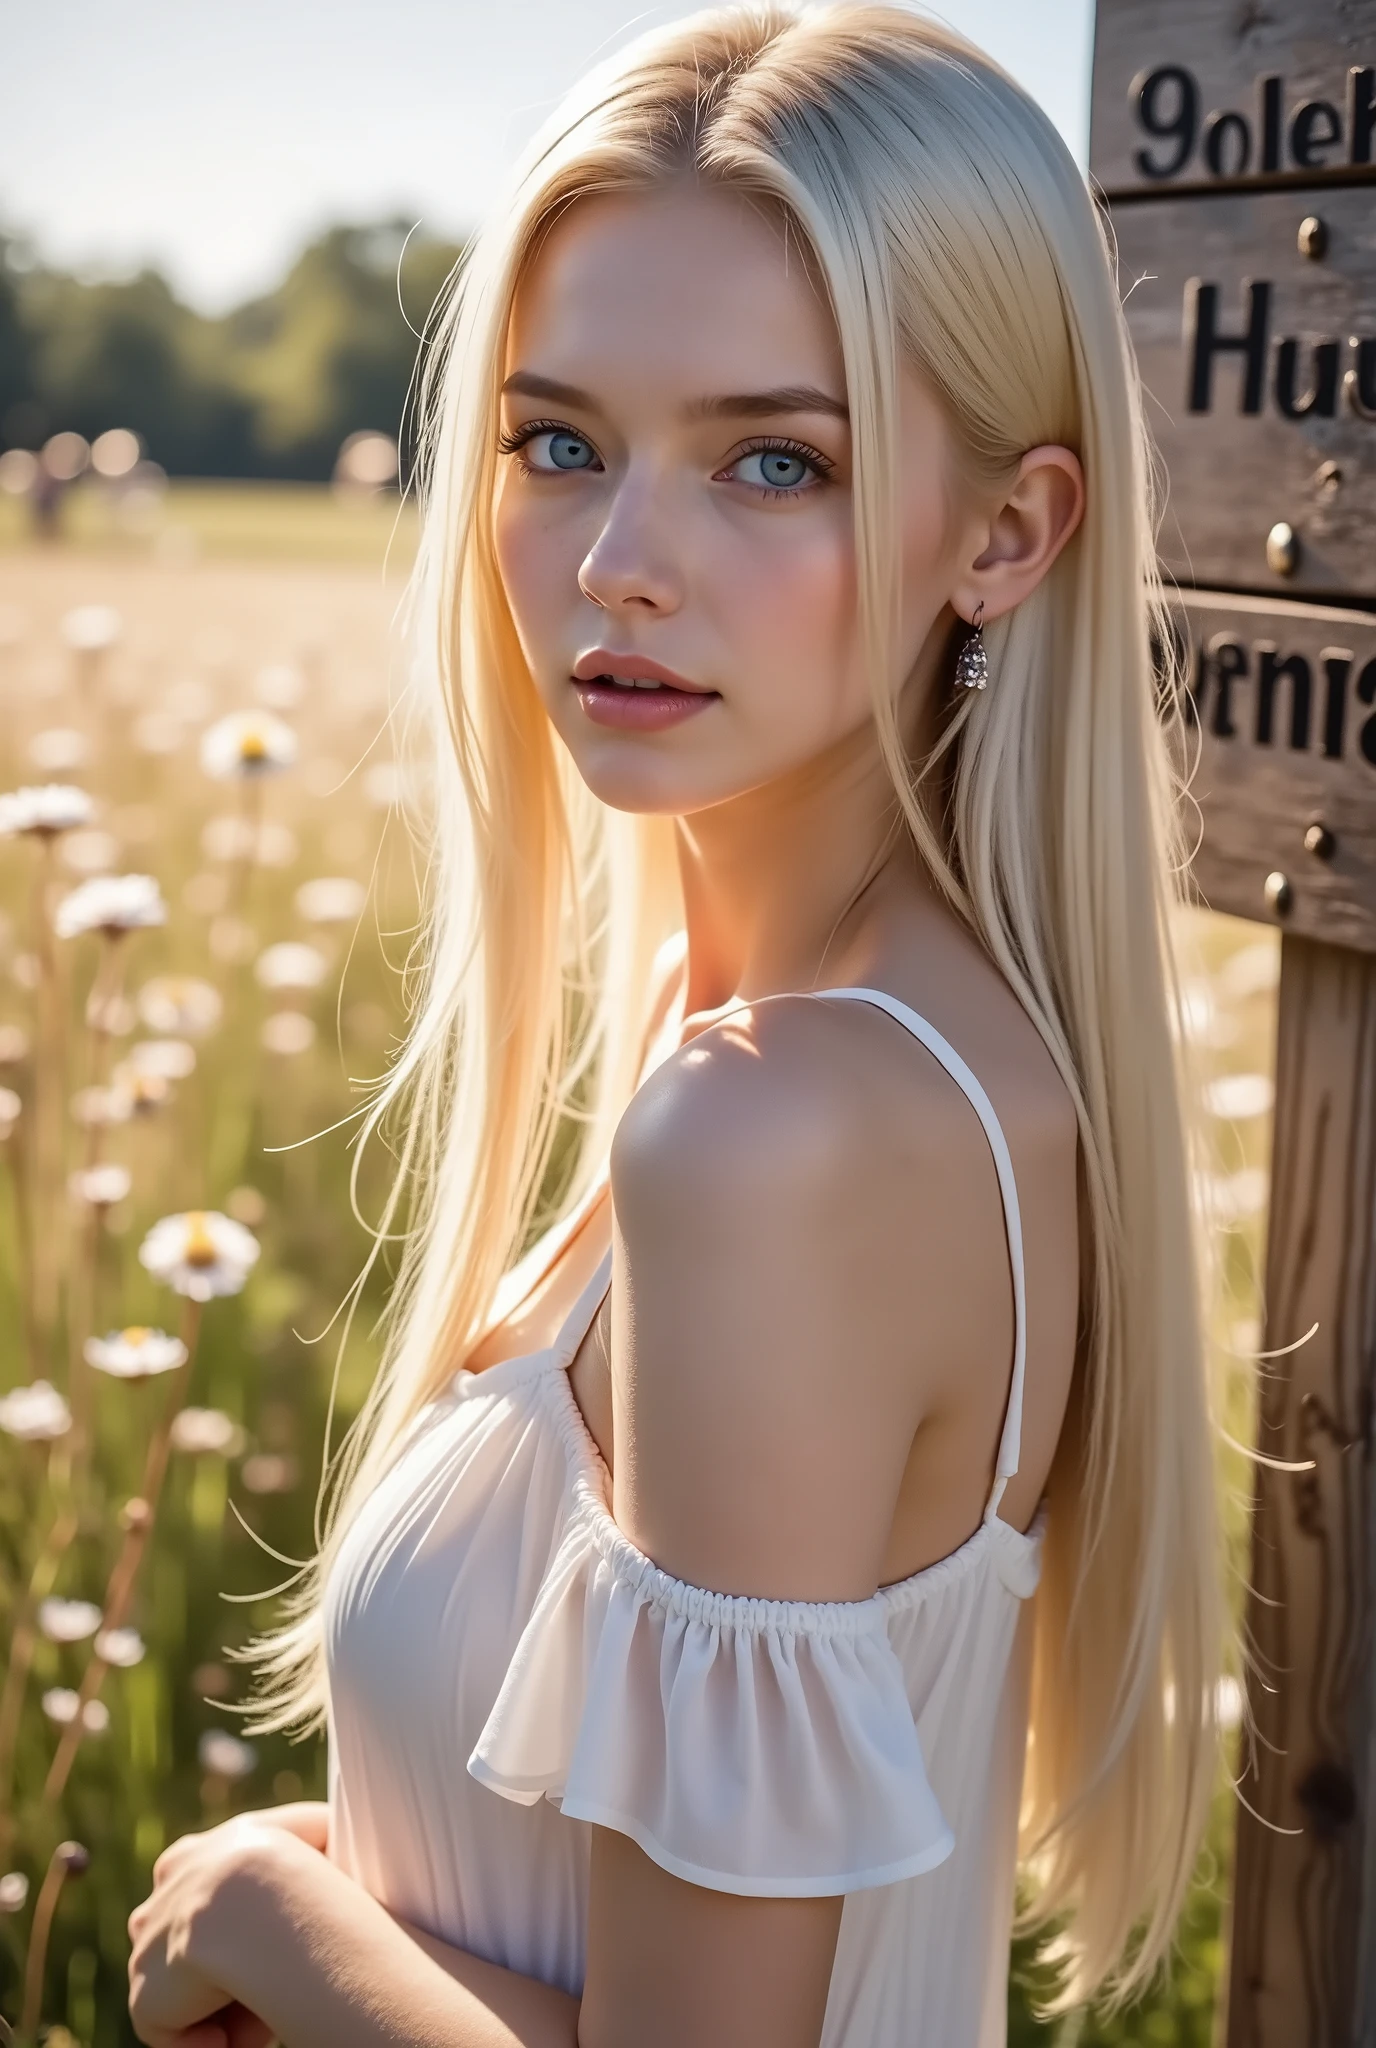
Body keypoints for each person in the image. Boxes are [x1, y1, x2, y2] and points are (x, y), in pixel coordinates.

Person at [127, 6, 1225, 2044]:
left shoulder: (781, 1130)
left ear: (1004, 534)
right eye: (558, 444)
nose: (618, 566)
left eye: (773, 462)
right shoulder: (781, 1033)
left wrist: (261, 1903)